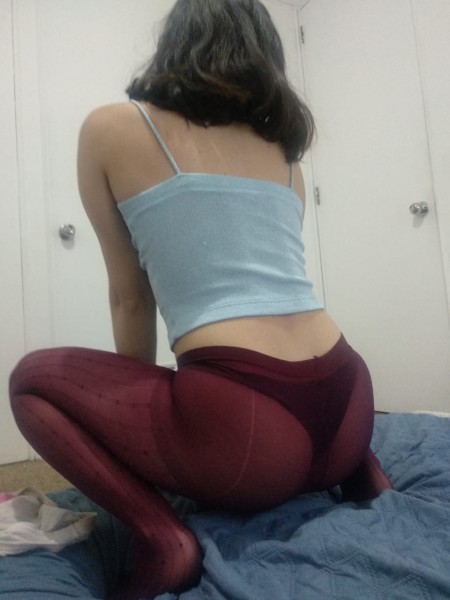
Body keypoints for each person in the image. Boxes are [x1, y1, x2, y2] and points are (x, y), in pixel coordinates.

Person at [9, 1, 393, 598]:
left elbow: (131, 298)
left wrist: (138, 431)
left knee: (32, 380)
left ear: (178, 40)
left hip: (252, 430)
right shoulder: (287, 157)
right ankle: (358, 474)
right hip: (349, 403)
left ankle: (162, 536)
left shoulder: (111, 127)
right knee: (288, 382)